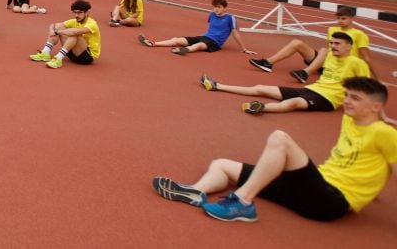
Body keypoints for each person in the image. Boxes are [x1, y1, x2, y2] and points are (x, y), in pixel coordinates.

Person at [152, 77, 396, 223]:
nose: (347, 102)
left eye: (355, 98)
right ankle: (197, 191)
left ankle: (243, 203)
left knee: (280, 139)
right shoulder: (349, 120)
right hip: (311, 188)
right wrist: (370, 186)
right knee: (221, 164)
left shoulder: (385, 133)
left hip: (330, 201)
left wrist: (364, 191)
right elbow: (363, 161)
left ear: (376, 107)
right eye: (346, 96)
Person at [199, 32, 371, 115]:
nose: (333, 46)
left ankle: (260, 108)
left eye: (337, 44)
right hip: (312, 89)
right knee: (260, 88)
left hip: (328, 100)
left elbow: (367, 90)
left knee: (293, 103)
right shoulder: (330, 57)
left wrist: (375, 113)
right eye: (332, 43)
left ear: (349, 46)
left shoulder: (357, 63)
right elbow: (314, 56)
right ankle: (217, 86)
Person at [249, 6, 372, 83]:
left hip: (343, 67)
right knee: (297, 43)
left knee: (324, 50)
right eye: (338, 18)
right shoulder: (332, 30)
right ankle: (268, 63)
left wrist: (372, 78)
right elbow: (332, 50)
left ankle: (305, 73)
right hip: (327, 63)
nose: (340, 21)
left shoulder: (359, 34)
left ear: (352, 19)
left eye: (343, 18)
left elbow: (366, 58)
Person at [138, 0, 253, 56]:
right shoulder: (212, 14)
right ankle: (153, 43)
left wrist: (244, 48)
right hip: (204, 36)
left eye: (219, 7)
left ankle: (183, 50)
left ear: (224, 7)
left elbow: (235, 33)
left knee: (198, 45)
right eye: (214, 7)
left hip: (215, 43)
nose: (216, 9)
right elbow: (211, 28)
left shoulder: (230, 18)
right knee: (176, 39)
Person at [29, 0, 101, 69]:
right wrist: (52, 30)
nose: (76, 15)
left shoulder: (92, 24)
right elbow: (54, 25)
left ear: (87, 13)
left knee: (74, 34)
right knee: (58, 27)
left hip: (86, 57)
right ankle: (45, 53)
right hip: (72, 54)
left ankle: (58, 59)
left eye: (79, 12)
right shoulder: (75, 21)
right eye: (75, 12)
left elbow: (75, 32)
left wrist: (57, 32)